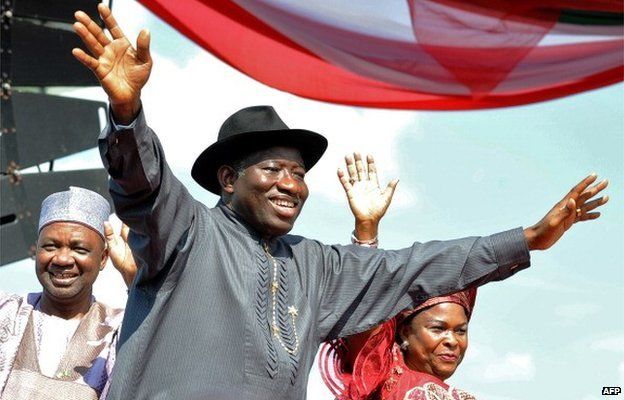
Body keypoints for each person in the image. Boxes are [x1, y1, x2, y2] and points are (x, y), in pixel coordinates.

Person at [71, 5, 609, 399]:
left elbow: (413, 268)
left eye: (300, 174)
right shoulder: (187, 232)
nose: (291, 184)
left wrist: (527, 239)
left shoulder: (315, 266)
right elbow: (142, 186)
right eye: (274, 169)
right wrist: (127, 113)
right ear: (229, 179)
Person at [320, 162, 479, 399]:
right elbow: (364, 310)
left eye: (460, 331)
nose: (451, 341)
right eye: (438, 328)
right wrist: (366, 229)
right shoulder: (380, 379)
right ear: (404, 332)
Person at [0, 187, 130, 399]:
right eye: (50, 247)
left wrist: (134, 279)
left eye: (79, 249)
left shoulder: (118, 330)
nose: (62, 259)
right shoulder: (7, 313)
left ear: (104, 258)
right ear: (36, 250)